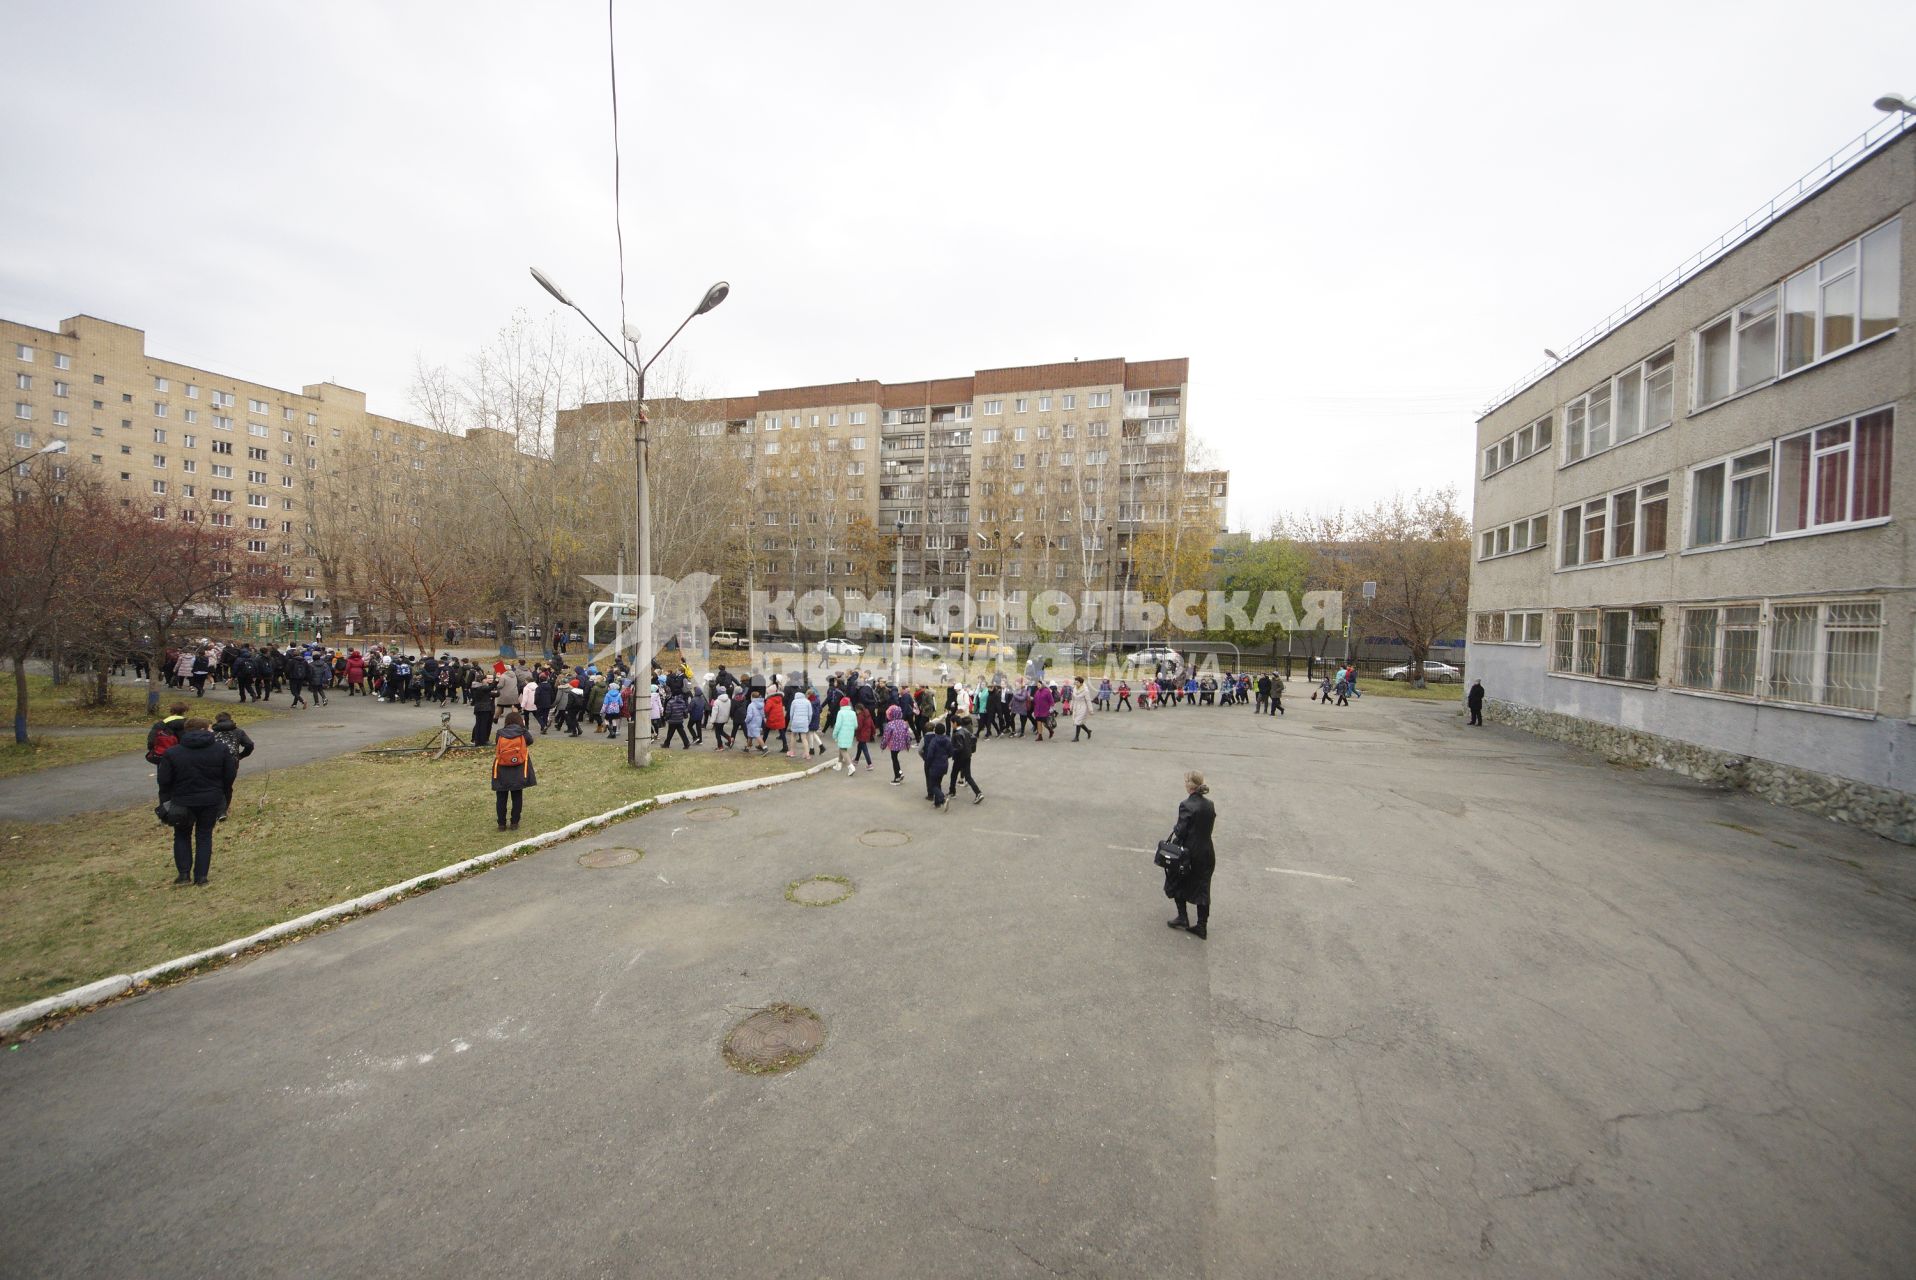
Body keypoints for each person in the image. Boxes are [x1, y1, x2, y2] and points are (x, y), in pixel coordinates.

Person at [156, 716, 238, 886]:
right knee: (204, 836)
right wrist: (221, 790)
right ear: (203, 730)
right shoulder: (220, 750)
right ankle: (201, 877)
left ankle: (184, 875)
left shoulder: (173, 752)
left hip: (182, 799)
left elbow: (164, 780)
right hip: (210, 798)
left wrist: (166, 800)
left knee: (181, 835)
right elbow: (229, 774)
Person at [1165, 771, 1217, 940]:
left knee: (1177, 879)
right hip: (1207, 851)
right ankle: (1202, 926)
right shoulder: (1210, 804)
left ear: (1190, 785)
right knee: (1203, 888)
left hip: (1189, 851)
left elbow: (1181, 830)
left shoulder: (1186, 805)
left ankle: (1182, 917)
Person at [491, 710, 537, 830]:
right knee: (517, 796)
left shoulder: (500, 733)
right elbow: (530, 741)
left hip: (502, 767)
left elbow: (497, 745)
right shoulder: (522, 732)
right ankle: (514, 822)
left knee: (501, 797)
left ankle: (501, 824)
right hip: (518, 767)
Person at [947, 714, 983, 804]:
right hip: (967, 756)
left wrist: (951, 751)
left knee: (958, 775)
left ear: (955, 723)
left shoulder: (957, 734)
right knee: (960, 775)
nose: (951, 725)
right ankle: (952, 791)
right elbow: (973, 738)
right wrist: (970, 748)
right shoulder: (965, 730)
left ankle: (978, 793)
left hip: (960, 758)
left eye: (951, 723)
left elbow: (959, 747)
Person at [920, 717, 952, 809]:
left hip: (934, 765)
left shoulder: (934, 741)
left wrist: (928, 763)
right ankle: (937, 802)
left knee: (933, 785)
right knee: (938, 783)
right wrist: (945, 757)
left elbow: (929, 755)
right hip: (944, 764)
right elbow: (950, 752)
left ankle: (942, 799)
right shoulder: (947, 740)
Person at [881, 702, 912, 785]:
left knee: (894, 759)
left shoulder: (890, 724)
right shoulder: (903, 723)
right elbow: (907, 735)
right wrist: (908, 745)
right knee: (895, 758)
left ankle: (897, 777)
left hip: (893, 745)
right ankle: (900, 773)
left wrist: (883, 745)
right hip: (901, 744)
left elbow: (886, 736)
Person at [831, 694, 858, 775]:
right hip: (850, 734)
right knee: (843, 748)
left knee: (843, 750)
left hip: (842, 734)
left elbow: (838, 725)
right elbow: (856, 725)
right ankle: (839, 764)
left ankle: (851, 767)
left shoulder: (840, 712)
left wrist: (834, 734)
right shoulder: (853, 713)